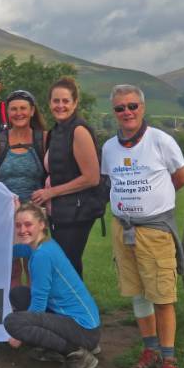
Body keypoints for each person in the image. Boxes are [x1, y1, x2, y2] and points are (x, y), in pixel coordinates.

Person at [101, 84, 184, 368]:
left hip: (154, 230)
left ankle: (168, 362)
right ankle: (149, 352)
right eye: (120, 108)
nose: (127, 112)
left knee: (162, 296)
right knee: (138, 293)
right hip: (122, 229)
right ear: (114, 112)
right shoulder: (109, 147)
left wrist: (153, 205)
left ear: (142, 108)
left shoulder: (161, 141)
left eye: (132, 106)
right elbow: (111, 180)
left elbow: (180, 178)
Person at [4, 203, 101, 368]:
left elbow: (39, 305)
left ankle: (78, 355)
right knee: (19, 294)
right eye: (18, 225)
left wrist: (20, 335)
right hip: (82, 324)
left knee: (13, 322)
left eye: (28, 224)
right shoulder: (42, 245)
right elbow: (13, 251)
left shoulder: (42, 255)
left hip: (84, 329)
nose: (22, 229)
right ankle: (57, 348)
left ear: (42, 224)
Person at [30, 77, 104, 277]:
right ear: (49, 103)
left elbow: (92, 177)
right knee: (64, 268)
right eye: (56, 101)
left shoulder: (78, 130)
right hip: (61, 212)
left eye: (65, 101)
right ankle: (68, 308)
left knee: (67, 269)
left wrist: (50, 192)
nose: (60, 105)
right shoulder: (57, 131)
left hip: (77, 212)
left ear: (75, 103)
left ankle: (75, 308)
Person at [0, 89, 47, 290]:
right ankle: (15, 310)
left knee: (35, 265)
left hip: (36, 212)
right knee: (12, 268)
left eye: (23, 108)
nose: (19, 113)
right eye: (14, 109)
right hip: (7, 214)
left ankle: (36, 311)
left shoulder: (43, 138)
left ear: (32, 111)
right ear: (7, 112)